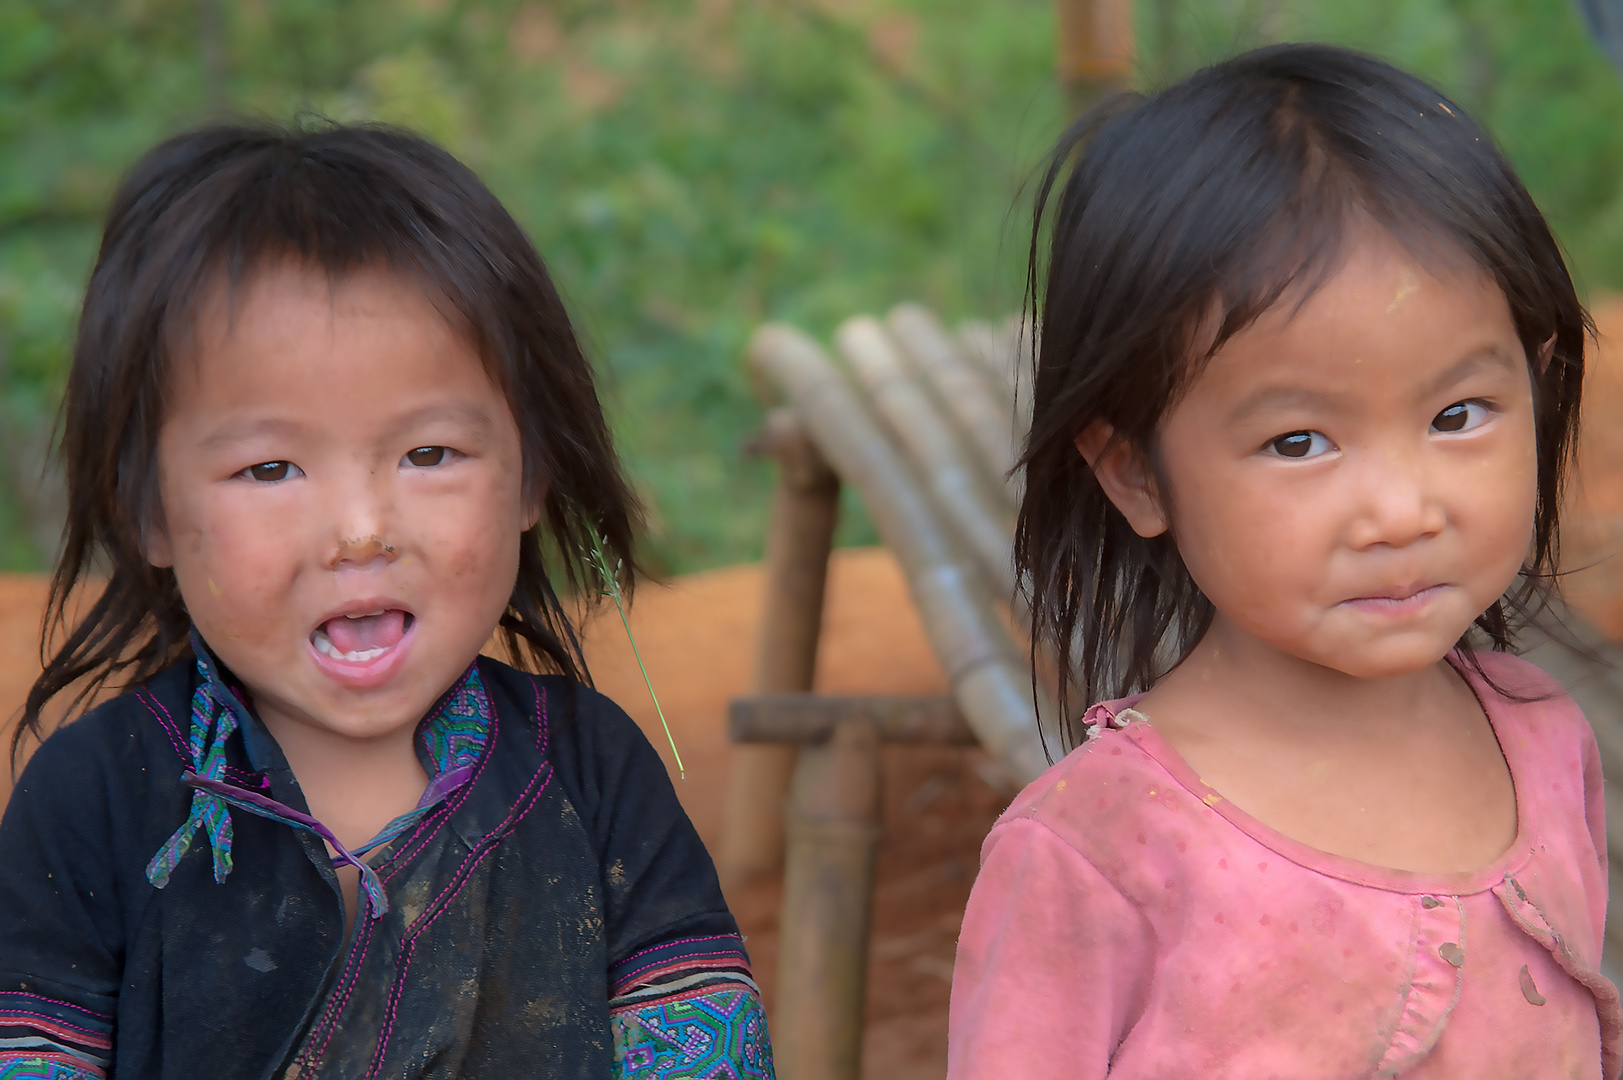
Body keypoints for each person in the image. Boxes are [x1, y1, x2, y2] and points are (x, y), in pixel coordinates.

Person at [0, 123, 773, 1080]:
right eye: (269, 468)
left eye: (429, 454)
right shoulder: (96, 799)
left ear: (531, 477)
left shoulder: (589, 773)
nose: (361, 529)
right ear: (149, 515)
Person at [948, 44, 1620, 1079]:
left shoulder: (1541, 736)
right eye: (1299, 442)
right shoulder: (1098, 854)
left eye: (1457, 414)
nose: (1401, 510)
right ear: (1136, 475)